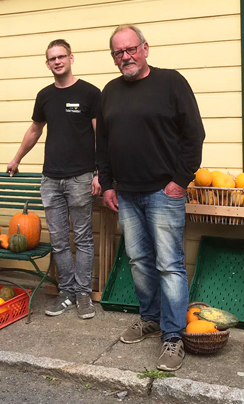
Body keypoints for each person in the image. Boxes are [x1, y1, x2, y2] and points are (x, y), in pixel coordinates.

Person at [96, 25, 205, 371]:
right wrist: (108, 183)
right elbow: (103, 143)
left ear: (145, 48)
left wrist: (180, 181)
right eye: (118, 52)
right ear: (113, 58)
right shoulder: (109, 91)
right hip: (126, 193)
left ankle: (173, 337)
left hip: (163, 192)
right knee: (139, 261)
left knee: (169, 265)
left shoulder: (171, 82)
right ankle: (151, 318)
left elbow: (194, 134)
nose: (125, 56)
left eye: (131, 49)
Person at [7, 39, 101, 319]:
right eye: (52, 58)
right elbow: (35, 130)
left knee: (83, 238)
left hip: (81, 178)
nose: (57, 61)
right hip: (51, 179)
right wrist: (17, 158)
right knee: (59, 240)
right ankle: (67, 293)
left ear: (72, 58)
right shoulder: (45, 95)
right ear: (47, 64)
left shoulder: (90, 93)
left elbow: (100, 136)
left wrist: (99, 173)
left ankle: (84, 295)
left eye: (62, 56)